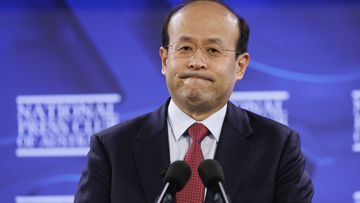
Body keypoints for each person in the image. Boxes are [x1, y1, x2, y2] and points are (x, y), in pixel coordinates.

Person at [74, 0, 314, 202]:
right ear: (165, 59)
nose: (196, 61)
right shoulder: (112, 148)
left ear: (240, 66)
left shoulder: (278, 147)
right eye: (185, 47)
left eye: (213, 50)